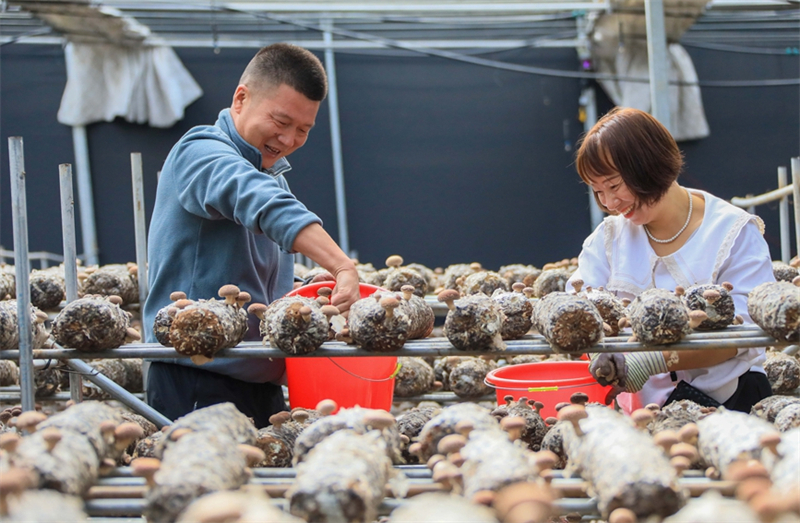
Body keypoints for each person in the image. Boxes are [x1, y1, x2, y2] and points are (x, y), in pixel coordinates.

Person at [143, 43, 361, 427]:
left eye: (303, 130)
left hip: (259, 381)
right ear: (241, 99)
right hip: (201, 379)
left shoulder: (267, 172)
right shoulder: (201, 152)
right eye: (281, 122)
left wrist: (306, 285)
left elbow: (255, 270)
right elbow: (259, 202)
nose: (289, 139)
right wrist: (342, 265)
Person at [568, 107, 773, 414]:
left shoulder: (731, 231)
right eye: (598, 192)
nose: (610, 203)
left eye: (614, 186)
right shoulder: (609, 239)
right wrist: (597, 356)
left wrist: (650, 360)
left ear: (649, 165)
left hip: (730, 400)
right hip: (641, 413)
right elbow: (578, 310)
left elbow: (745, 333)